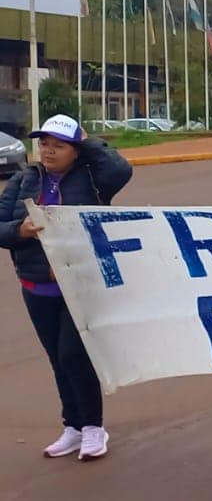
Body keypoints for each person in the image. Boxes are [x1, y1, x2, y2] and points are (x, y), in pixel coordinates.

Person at [0, 115, 133, 462]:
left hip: (82, 284)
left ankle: (93, 427)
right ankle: (72, 428)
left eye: (59, 145)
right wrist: (21, 231)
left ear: (76, 150)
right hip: (37, 286)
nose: (49, 151)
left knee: (75, 355)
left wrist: (88, 142)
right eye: (44, 143)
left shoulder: (95, 180)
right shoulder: (24, 179)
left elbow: (121, 170)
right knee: (58, 359)